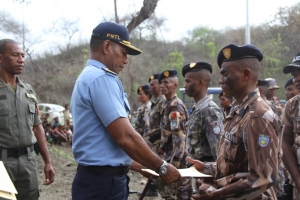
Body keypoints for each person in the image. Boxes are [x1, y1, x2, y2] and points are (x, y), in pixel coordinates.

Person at [70, 22, 181, 200]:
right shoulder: (101, 78)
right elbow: (125, 137)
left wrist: (143, 165)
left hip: (97, 180)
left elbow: (104, 145)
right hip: (103, 184)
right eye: (123, 53)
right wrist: (162, 167)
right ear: (107, 46)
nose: (126, 60)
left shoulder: (89, 76)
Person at [187, 43, 282, 199]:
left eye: (225, 74)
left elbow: (262, 178)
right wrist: (207, 167)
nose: (220, 80)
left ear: (246, 75)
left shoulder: (257, 115)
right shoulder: (238, 110)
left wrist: (218, 194)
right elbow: (235, 164)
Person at [0, 39, 55, 200]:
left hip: (28, 161)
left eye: (23, 56)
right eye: (15, 55)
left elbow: (37, 127)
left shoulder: (28, 90)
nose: (21, 59)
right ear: (1, 58)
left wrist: (48, 161)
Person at [157, 69, 192, 200]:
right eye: (161, 83)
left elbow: (180, 139)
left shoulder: (175, 106)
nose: (162, 86)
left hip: (179, 162)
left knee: (181, 194)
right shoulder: (166, 104)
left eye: (166, 83)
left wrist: (173, 166)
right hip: (169, 156)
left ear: (175, 85)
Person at [182, 62, 225, 163]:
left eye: (188, 81)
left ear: (200, 83)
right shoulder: (198, 108)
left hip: (204, 175)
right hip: (195, 173)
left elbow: (219, 153)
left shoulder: (209, 110)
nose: (185, 85)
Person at [281, 52, 300, 200]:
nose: (297, 79)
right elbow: (285, 141)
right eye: (295, 75)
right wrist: (297, 180)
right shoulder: (292, 105)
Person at [134, 84, 152, 185]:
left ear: (147, 95)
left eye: (141, 94)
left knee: (146, 158)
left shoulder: (148, 107)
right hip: (141, 136)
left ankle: (146, 178)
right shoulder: (143, 107)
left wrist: (145, 138)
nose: (139, 96)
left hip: (146, 137)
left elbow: (147, 125)